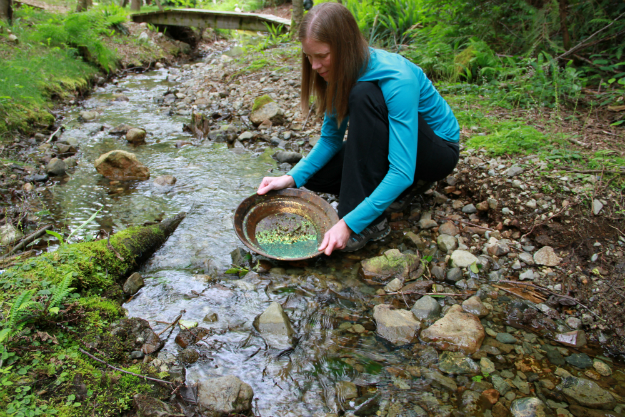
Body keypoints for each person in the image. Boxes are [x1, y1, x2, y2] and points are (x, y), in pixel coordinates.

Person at [257, 2, 460, 255]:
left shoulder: (397, 78)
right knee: (315, 175)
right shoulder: (339, 71)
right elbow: (330, 140)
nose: (314, 66)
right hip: (396, 148)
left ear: (345, 47)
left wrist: (349, 222)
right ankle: (388, 197)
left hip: (436, 153)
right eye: (308, 56)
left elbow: (402, 170)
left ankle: (372, 223)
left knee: (364, 94)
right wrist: (292, 178)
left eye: (321, 56)